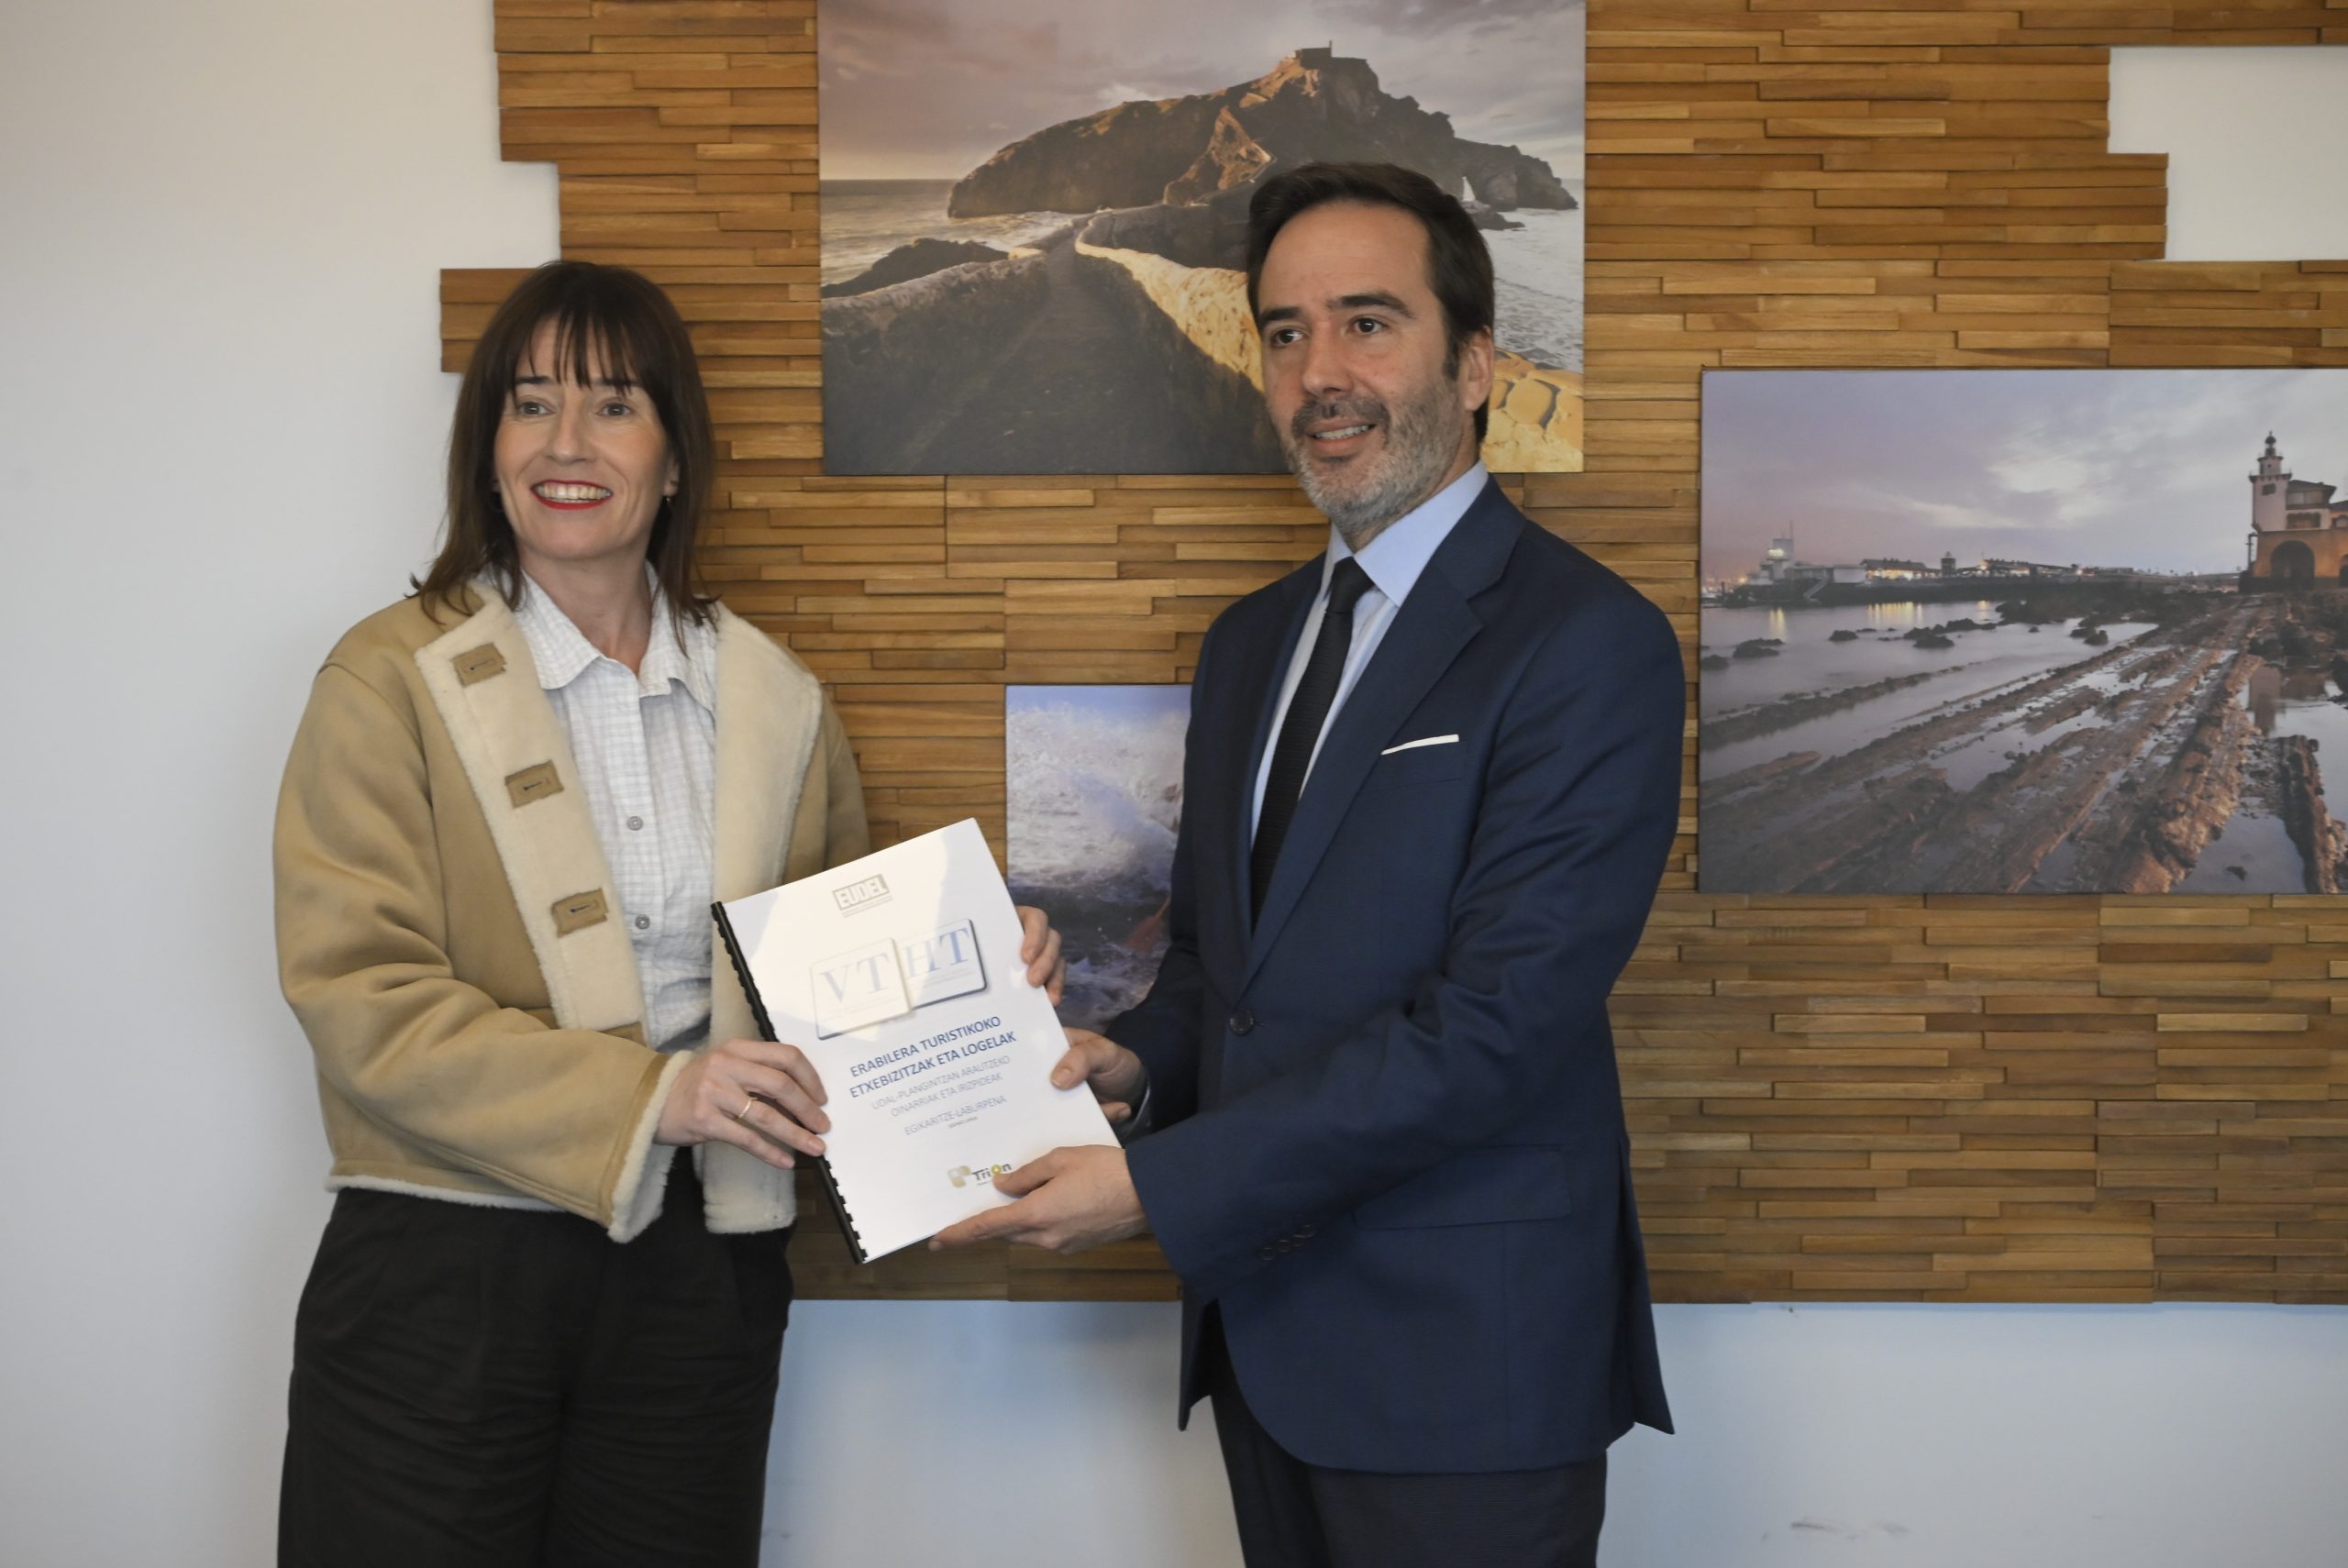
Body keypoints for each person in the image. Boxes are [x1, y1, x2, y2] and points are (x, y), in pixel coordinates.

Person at [934, 162, 1683, 1567]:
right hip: (1264, 1344)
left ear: (1477, 366)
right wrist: (1134, 1063)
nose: (1320, 373)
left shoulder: (1588, 643)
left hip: (1469, 1366)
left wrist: (1160, 1190)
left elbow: (1497, 1027)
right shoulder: (1250, 643)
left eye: (1367, 323)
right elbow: (1222, 969)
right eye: (1286, 332)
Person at [272, 259, 1063, 1567]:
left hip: (704, 1281)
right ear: (487, 450)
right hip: (440, 1267)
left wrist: (980, 976)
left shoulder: (778, 699)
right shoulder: (387, 679)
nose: (566, 444)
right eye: (531, 404)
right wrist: (660, 1096)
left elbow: (834, 1002)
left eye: (613, 405)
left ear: (676, 454)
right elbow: (359, 995)